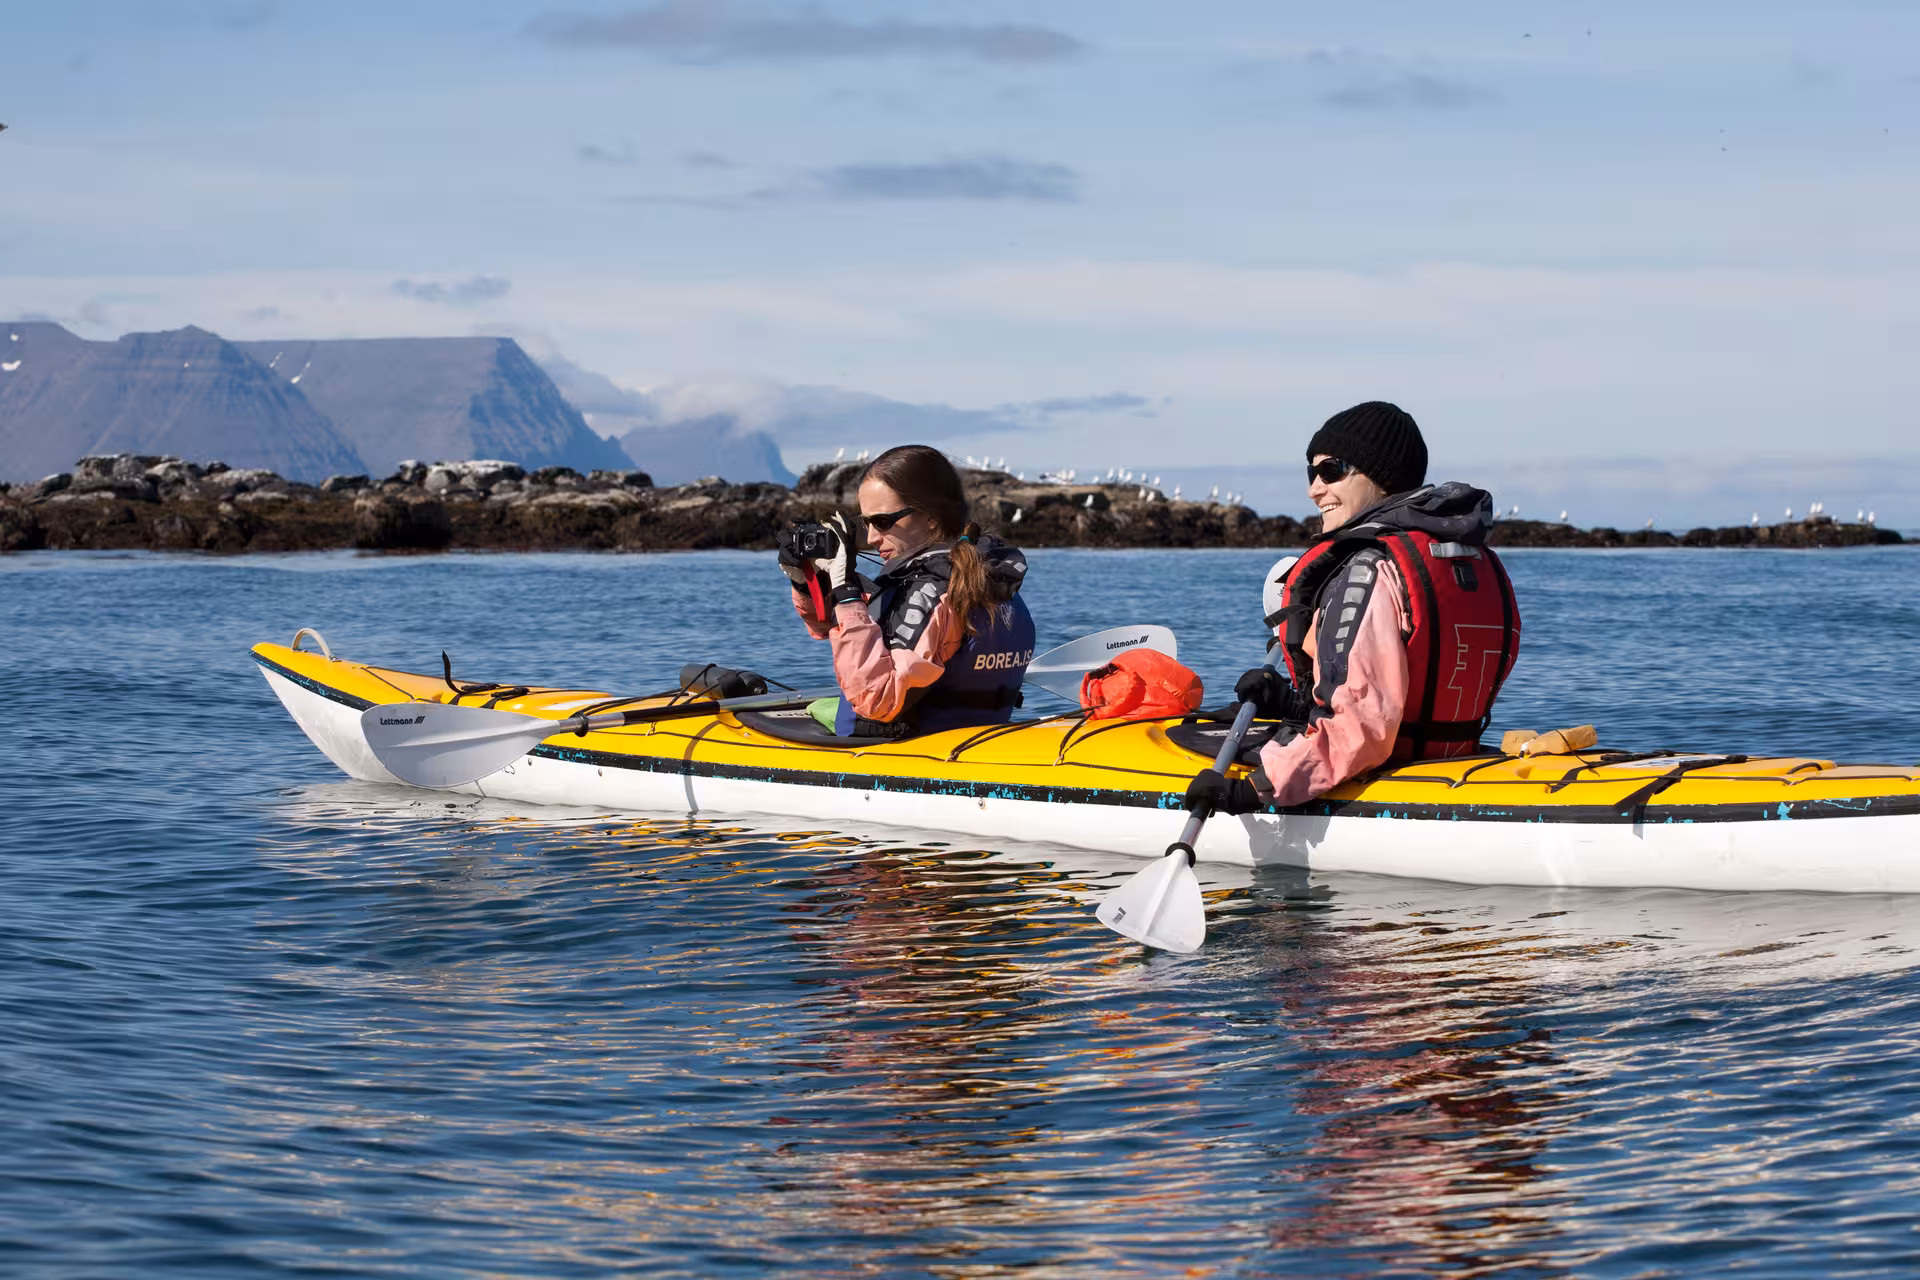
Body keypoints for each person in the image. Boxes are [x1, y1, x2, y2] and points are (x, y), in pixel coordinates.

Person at [1187, 401, 1521, 815]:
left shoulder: (1370, 570)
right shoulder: (1477, 561)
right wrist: (1290, 704)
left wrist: (1252, 790)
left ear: (1381, 477)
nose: (1314, 489)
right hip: (1449, 759)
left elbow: (1363, 730)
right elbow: (1396, 695)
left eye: (1330, 471)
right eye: (1312, 473)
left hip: (1381, 773)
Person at [782, 445, 1036, 738]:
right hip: (978, 734)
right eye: (866, 523)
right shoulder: (986, 575)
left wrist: (847, 593)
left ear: (931, 517)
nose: (872, 537)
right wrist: (809, 582)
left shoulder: (930, 591)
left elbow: (877, 699)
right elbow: (837, 626)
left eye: (883, 522)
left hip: (910, 745)